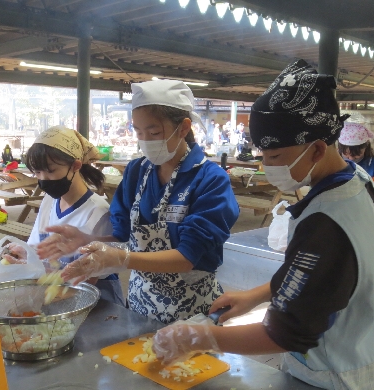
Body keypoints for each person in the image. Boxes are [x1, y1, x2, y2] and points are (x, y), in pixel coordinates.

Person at [151, 60, 374, 389]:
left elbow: (284, 333)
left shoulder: (328, 223)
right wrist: (259, 294)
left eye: (274, 157)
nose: (265, 165)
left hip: (343, 375)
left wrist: (198, 337)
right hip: (367, 352)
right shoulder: (354, 178)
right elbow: (324, 278)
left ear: (317, 148)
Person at [35, 80, 240, 324]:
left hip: (192, 309)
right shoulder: (136, 172)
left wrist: (122, 259)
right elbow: (122, 240)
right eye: (138, 132)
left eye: (154, 133)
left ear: (184, 127)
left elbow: (187, 257)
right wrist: (88, 240)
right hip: (140, 302)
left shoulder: (209, 179)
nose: (145, 141)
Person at [18, 126, 124, 305]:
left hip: (94, 303)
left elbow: (85, 282)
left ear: (75, 165)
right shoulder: (50, 201)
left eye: (50, 171)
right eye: (37, 172)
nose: (43, 179)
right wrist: (22, 254)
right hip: (54, 294)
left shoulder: (98, 213)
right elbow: (36, 248)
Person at [338, 123, 374, 204]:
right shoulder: (334, 165)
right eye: (346, 154)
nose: (351, 158)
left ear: (366, 147)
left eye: (356, 155)